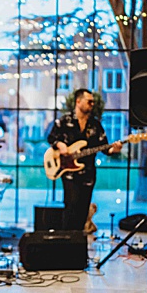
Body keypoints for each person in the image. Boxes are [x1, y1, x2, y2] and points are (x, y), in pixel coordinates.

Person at [46, 88, 121, 230]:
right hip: (68, 171)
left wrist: (114, 149)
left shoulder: (95, 125)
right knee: (71, 206)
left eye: (93, 102)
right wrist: (60, 145)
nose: (92, 104)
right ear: (78, 101)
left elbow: (105, 147)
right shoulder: (64, 121)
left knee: (82, 209)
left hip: (88, 172)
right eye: (89, 101)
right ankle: (67, 243)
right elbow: (51, 137)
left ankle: (79, 247)